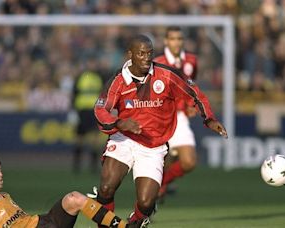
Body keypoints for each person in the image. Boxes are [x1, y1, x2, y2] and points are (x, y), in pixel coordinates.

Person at [94, 34, 227, 227]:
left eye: (150, 53)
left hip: (153, 145)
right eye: (141, 53)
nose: (147, 58)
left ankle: (137, 220)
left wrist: (209, 118)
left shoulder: (166, 75)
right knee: (106, 188)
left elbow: (194, 93)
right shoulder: (118, 80)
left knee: (146, 203)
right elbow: (100, 110)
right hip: (124, 138)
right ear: (130, 55)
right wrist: (119, 123)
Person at [0, 153, 135, 228]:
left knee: (73, 198)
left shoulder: (4, 196)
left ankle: (124, 227)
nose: (0, 174)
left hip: (43, 222)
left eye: (0, 170)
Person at [153, 26, 199, 200]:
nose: (176, 42)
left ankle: (163, 183)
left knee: (189, 161)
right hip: (160, 118)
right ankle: (146, 211)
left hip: (179, 117)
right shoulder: (157, 62)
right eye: (173, 39)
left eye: (179, 39)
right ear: (166, 41)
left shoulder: (191, 61)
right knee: (157, 164)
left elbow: (190, 85)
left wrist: (190, 104)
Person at [72, 57, 104, 173]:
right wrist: (73, 110)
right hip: (82, 111)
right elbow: (74, 94)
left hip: (93, 111)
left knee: (95, 139)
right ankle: (77, 165)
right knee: (79, 139)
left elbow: (103, 95)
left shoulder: (99, 77)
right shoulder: (80, 77)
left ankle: (93, 166)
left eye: (93, 63)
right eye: (90, 63)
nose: (92, 65)